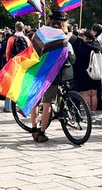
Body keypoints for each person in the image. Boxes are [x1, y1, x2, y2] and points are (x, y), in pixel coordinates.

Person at [30, 10, 76, 143]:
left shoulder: (40, 33)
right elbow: (68, 56)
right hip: (52, 74)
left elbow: (33, 50)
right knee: (47, 102)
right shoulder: (62, 36)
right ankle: (42, 133)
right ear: (63, 23)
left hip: (37, 71)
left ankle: (33, 128)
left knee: (35, 101)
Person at [73, 29, 102, 119]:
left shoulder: (82, 47)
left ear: (86, 37)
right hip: (96, 73)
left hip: (84, 73)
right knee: (94, 94)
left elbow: (78, 62)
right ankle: (93, 113)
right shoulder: (98, 46)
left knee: (86, 94)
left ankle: (87, 114)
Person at [3, 22, 30, 112]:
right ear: (23, 29)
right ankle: (22, 106)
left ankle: (8, 107)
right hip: (23, 65)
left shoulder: (11, 38)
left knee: (10, 84)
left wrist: (8, 61)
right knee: (22, 85)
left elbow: (7, 52)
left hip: (13, 64)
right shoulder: (26, 39)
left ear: (15, 28)